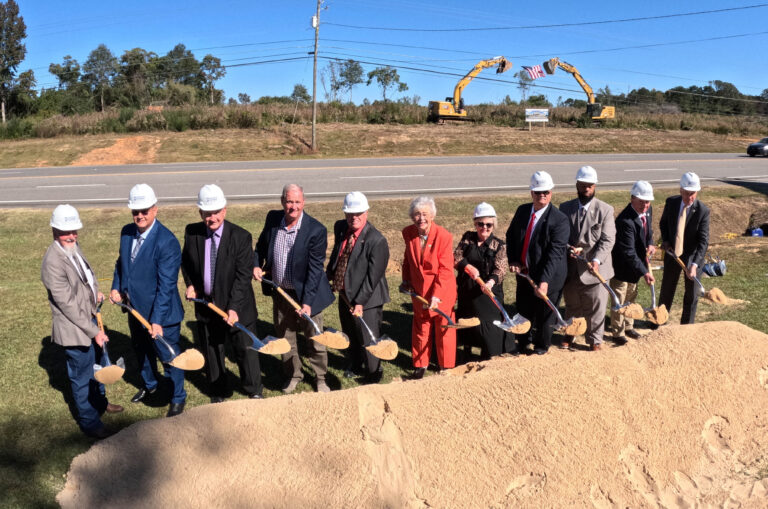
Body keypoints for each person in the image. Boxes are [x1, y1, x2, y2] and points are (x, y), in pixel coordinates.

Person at [41, 205, 124, 439]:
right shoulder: (52, 262)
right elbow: (67, 304)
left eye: (75, 230)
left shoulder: (72, 248)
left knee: (97, 367)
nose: (72, 235)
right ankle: (91, 424)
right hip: (74, 329)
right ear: (54, 231)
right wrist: (93, 331)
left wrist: (94, 293)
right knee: (82, 377)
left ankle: (100, 404)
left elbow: (87, 276)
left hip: (88, 319)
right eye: (66, 232)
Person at [110, 184, 187, 417]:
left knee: (169, 357)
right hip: (135, 310)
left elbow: (166, 286)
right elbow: (121, 264)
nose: (140, 216)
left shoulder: (167, 242)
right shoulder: (126, 232)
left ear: (155, 209)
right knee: (141, 351)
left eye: (144, 210)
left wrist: (157, 320)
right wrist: (116, 287)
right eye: (135, 211)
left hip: (161, 316)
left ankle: (177, 397)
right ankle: (150, 385)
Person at [181, 185, 263, 402]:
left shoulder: (241, 237)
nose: (212, 218)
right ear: (200, 213)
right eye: (207, 213)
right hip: (207, 307)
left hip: (237, 307)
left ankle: (253, 389)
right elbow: (187, 264)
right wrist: (191, 284)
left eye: (216, 212)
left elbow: (243, 277)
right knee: (212, 350)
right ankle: (219, 391)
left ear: (224, 211)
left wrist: (233, 308)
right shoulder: (192, 233)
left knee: (245, 350)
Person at [253, 184, 335, 394]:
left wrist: (306, 303)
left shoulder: (315, 230)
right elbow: (261, 247)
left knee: (314, 337)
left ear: (303, 202)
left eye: (297, 202)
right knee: (285, 337)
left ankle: (320, 377)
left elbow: (315, 271)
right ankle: (294, 374)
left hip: (309, 294)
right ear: (282, 202)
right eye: (289, 201)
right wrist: (256, 264)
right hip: (281, 293)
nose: (293, 206)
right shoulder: (273, 219)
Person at [327, 192, 390, 384]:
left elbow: (373, 278)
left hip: (367, 299)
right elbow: (338, 255)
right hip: (346, 293)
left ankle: (373, 372)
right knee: (350, 332)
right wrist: (330, 276)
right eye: (349, 213)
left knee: (368, 338)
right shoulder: (340, 227)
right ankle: (355, 364)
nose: (354, 217)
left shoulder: (376, 240)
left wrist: (360, 302)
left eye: (358, 213)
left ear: (366, 212)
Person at [506, 171, 569, 355]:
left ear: (551, 192)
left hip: (550, 276)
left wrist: (544, 281)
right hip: (525, 273)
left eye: (546, 192)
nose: (542, 195)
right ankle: (523, 342)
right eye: (538, 192)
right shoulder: (522, 210)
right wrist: (514, 260)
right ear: (531, 192)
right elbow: (511, 236)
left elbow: (555, 254)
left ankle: (541, 347)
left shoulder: (559, 220)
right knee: (524, 310)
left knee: (544, 316)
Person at [559, 166, 616, 351]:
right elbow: (561, 236)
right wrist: (569, 248)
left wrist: (597, 260)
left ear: (595, 186)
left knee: (596, 307)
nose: (586, 189)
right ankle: (571, 333)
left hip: (596, 268)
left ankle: (595, 340)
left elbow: (608, 239)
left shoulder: (605, 210)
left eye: (590, 186)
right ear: (577, 185)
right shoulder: (565, 208)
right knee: (572, 303)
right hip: (573, 267)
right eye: (583, 185)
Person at [400, 196, 458, 378]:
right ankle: (420, 364)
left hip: (442, 291)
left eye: (425, 214)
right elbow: (408, 260)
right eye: (417, 214)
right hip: (419, 291)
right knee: (421, 327)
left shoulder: (444, 236)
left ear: (432, 215)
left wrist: (437, 296)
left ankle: (446, 366)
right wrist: (406, 281)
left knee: (443, 328)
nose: (421, 218)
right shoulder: (408, 233)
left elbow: (445, 269)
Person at [453, 202, 514, 359]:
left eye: (489, 224)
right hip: (467, 289)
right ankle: (466, 352)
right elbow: (456, 257)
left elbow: (500, 269)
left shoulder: (499, 245)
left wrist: (490, 283)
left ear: (494, 225)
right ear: (475, 223)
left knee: (489, 326)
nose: (484, 228)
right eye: (480, 224)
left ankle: (490, 355)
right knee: (466, 321)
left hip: (487, 291)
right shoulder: (468, 238)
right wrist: (468, 267)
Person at [659, 172, 710, 324]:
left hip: (692, 256)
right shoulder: (671, 203)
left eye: (692, 194)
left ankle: (687, 327)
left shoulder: (703, 211)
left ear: (697, 192)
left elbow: (703, 241)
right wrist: (667, 240)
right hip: (672, 253)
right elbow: (664, 223)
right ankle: (659, 321)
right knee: (667, 289)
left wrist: (694, 264)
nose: (689, 198)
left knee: (692, 294)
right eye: (686, 194)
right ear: (680, 190)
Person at [609, 181, 656, 343]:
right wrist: (645, 271)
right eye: (642, 201)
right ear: (632, 199)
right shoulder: (625, 221)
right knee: (619, 301)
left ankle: (629, 326)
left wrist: (650, 243)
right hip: (622, 268)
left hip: (635, 268)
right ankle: (618, 332)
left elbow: (649, 231)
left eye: (648, 201)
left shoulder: (647, 212)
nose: (645, 205)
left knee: (631, 298)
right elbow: (628, 252)